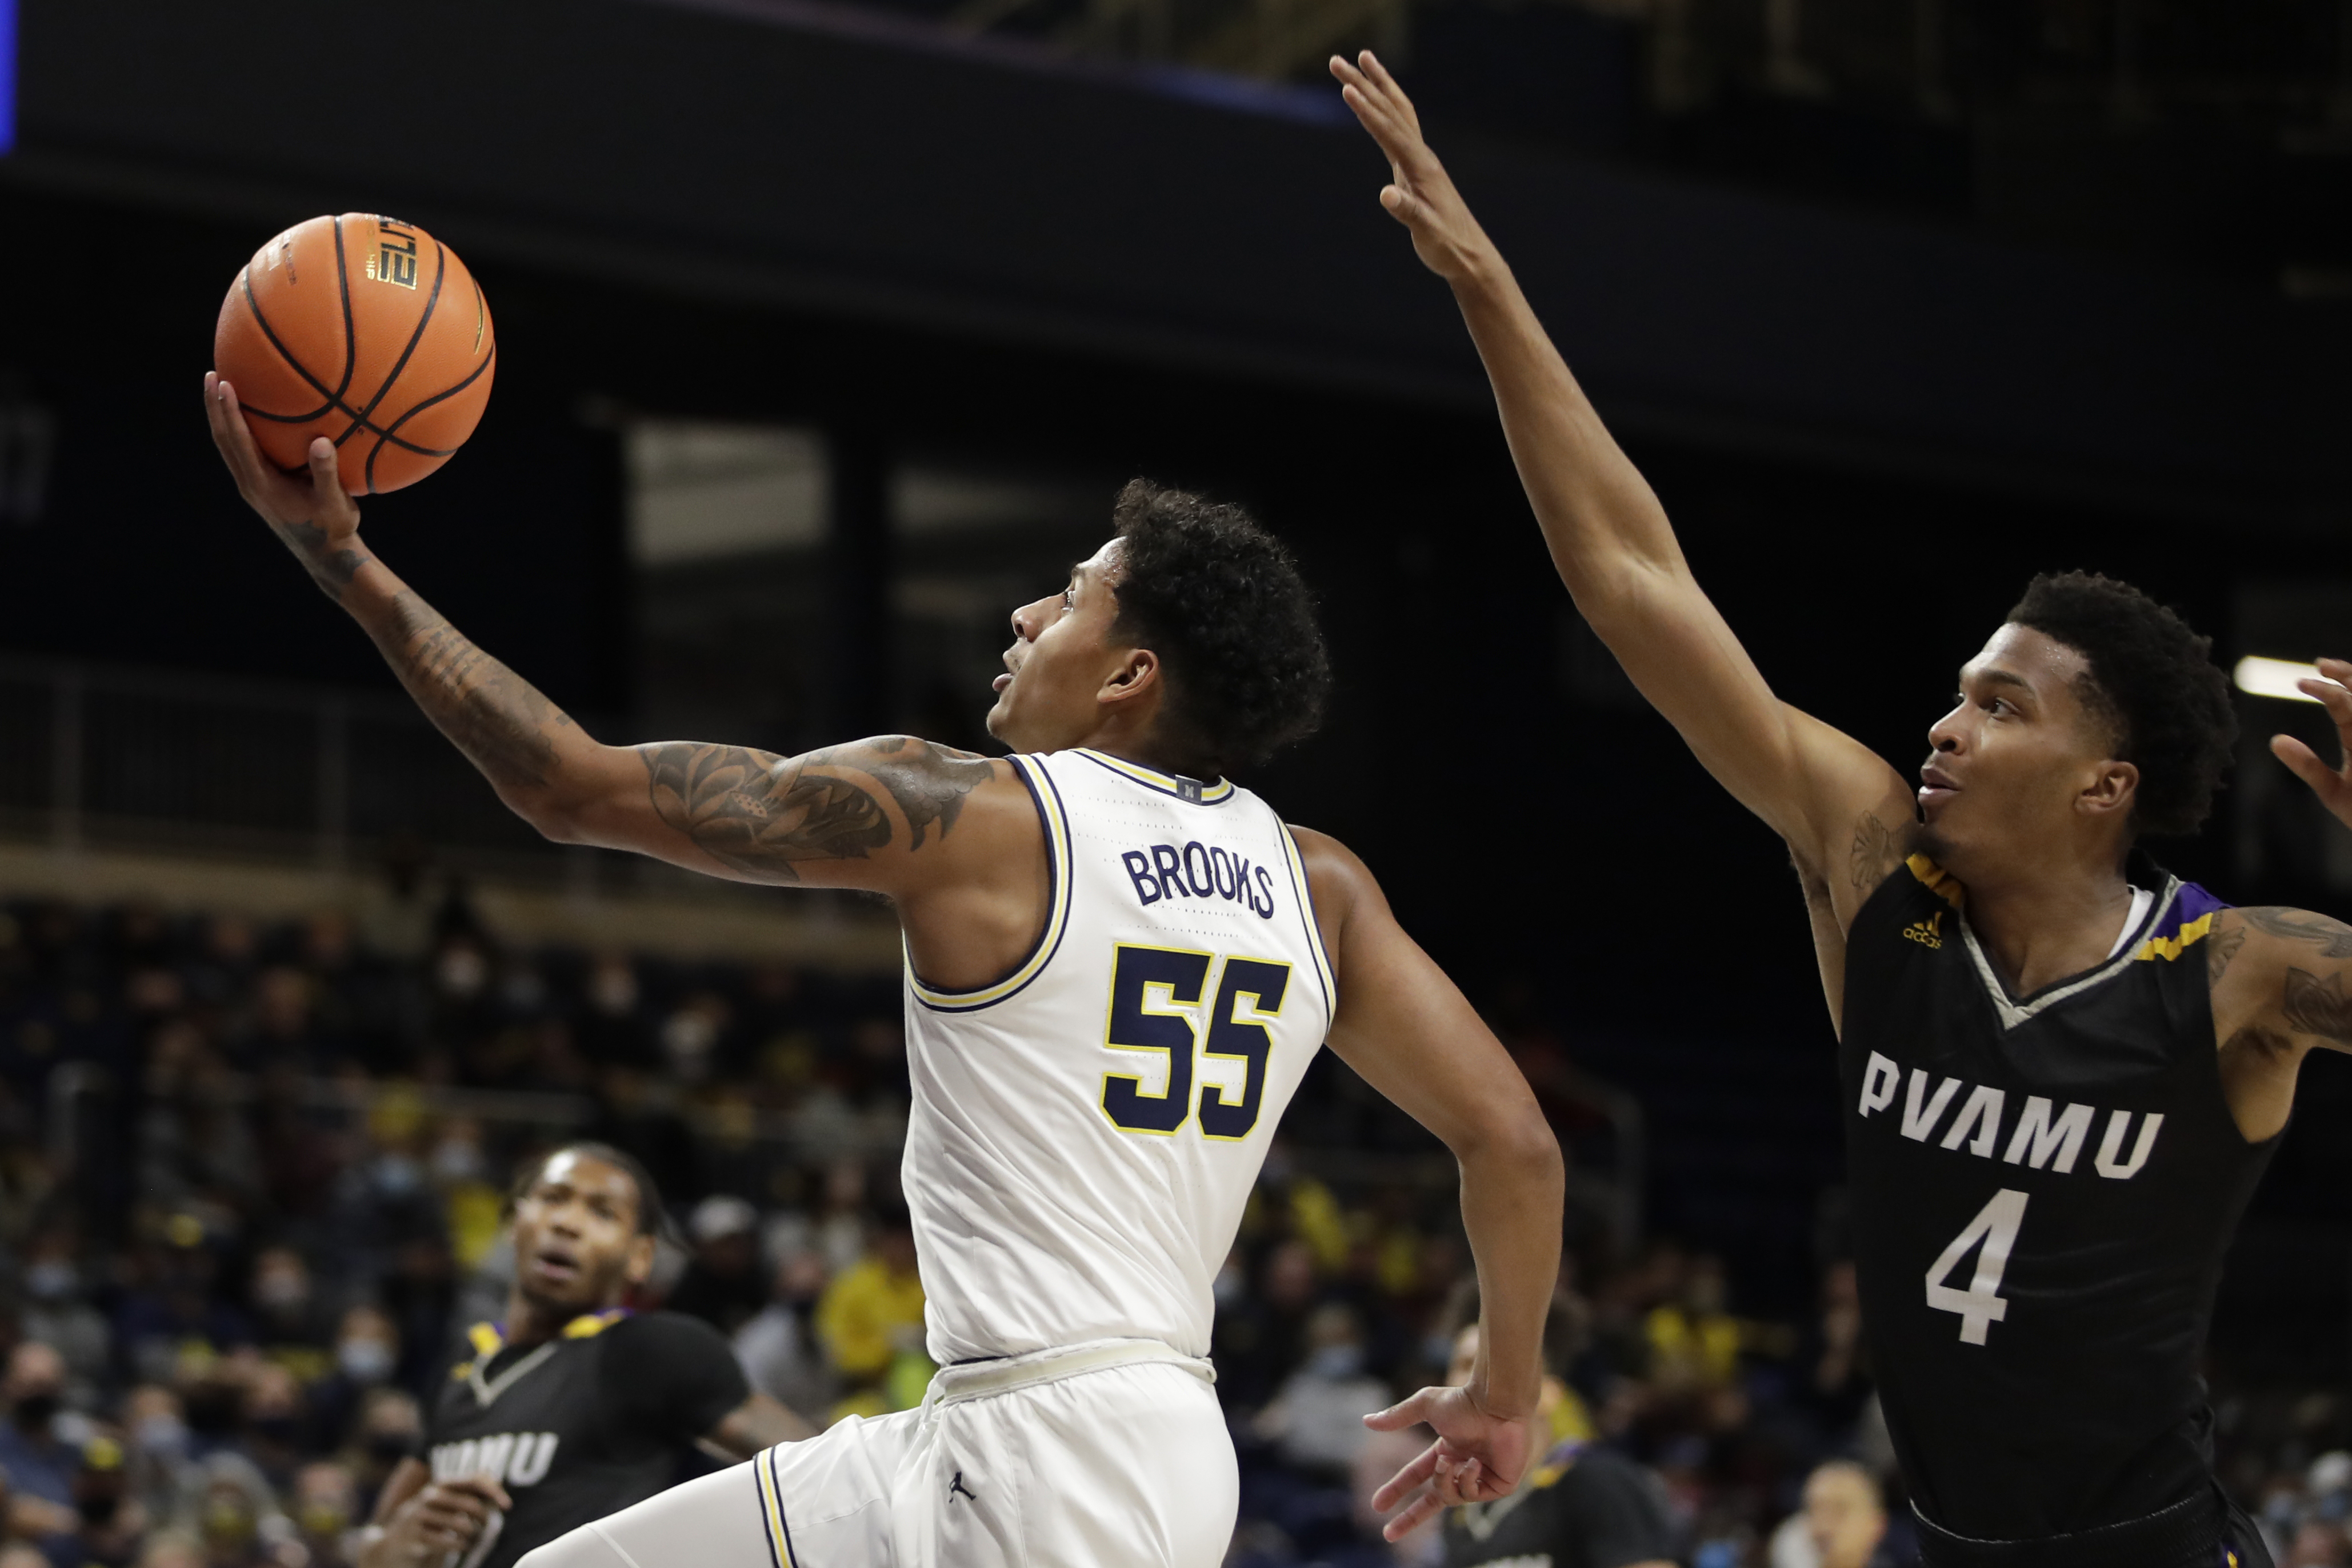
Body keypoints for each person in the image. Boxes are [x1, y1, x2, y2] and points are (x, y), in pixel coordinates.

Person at [204, 381, 1566, 1566]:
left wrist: (345, 567)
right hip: (1093, 1435)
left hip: (1040, 1460)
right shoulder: (1319, 885)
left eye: (1075, 596)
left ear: (1128, 676)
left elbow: (569, 788)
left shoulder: (975, 812)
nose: (1030, 611)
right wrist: (1505, 1394)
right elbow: (1513, 1144)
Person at [1331, 45, 2352, 1568]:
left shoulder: (2236, 974)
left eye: (2000, 707)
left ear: (2105, 785)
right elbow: (1632, 586)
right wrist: (1483, 281)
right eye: (1955, 690)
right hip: (1940, 1539)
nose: (1944, 725)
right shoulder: (1875, 871)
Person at [353, 1145, 808, 1568]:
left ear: (640, 1257)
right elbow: (369, 1546)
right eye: (554, 1198)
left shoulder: (655, 1349)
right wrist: (396, 1544)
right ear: (514, 1222)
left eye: (602, 1212)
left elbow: (821, 1470)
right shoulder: (466, 1364)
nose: (568, 1223)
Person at [1436, 1307, 1674, 1568]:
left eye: (1492, 1365)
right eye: (1464, 1365)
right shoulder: (1459, 1510)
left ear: (1548, 1392)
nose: (1473, 1382)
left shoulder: (1598, 1480)